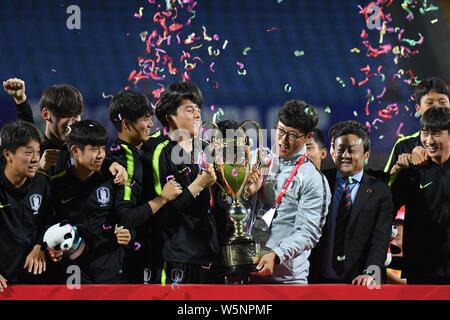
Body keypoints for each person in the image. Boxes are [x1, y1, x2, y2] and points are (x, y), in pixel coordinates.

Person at [246, 99, 331, 284]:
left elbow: (308, 231)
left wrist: (277, 255)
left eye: (292, 135)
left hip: (285, 282)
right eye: (280, 130)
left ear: (308, 137)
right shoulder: (256, 161)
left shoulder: (313, 179)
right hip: (245, 273)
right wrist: (245, 193)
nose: (283, 140)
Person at [149, 81, 222, 284]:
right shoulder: (160, 152)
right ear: (170, 116)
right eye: (189, 110)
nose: (198, 114)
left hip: (210, 254)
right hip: (176, 256)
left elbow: (219, 204)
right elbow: (165, 209)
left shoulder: (209, 150)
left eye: (198, 109)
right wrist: (199, 184)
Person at [45, 120, 133, 284]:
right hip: (72, 269)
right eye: (94, 149)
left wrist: (129, 233)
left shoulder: (114, 179)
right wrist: (49, 247)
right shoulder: (56, 184)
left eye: (102, 148)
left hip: (108, 268)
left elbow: (127, 216)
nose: (100, 155)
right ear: (76, 151)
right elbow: (47, 223)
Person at [108, 89, 182, 283]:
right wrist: (163, 198)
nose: (151, 124)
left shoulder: (136, 151)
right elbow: (125, 216)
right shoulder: (127, 161)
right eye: (145, 119)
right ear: (126, 124)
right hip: (130, 263)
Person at [308, 122, 394, 285]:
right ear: (332, 152)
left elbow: (381, 239)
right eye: (340, 149)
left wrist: (370, 274)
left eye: (352, 150)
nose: (345, 155)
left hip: (361, 283)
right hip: (317, 282)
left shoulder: (380, 191)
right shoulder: (318, 182)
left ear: (366, 155)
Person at [2, 78, 127, 183]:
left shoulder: (83, 150)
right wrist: (38, 168)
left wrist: (113, 165)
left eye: (77, 115)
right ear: (46, 114)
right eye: (65, 115)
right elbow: (27, 130)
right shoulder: (36, 152)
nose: (72, 121)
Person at [390, 106, 450, 284]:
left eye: (436, 134)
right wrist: (396, 171)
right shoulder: (412, 171)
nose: (429, 140)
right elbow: (386, 208)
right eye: (425, 133)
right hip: (421, 269)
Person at [0, 121, 52, 291]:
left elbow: (50, 220)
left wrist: (41, 245)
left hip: (34, 283)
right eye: (29, 153)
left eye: (38, 152)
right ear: (8, 154)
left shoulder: (42, 183)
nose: (36, 159)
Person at [384, 77, 450, 175]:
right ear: (418, 108)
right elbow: (384, 187)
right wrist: (397, 169)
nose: (437, 108)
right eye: (430, 103)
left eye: (442, 102)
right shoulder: (404, 145)